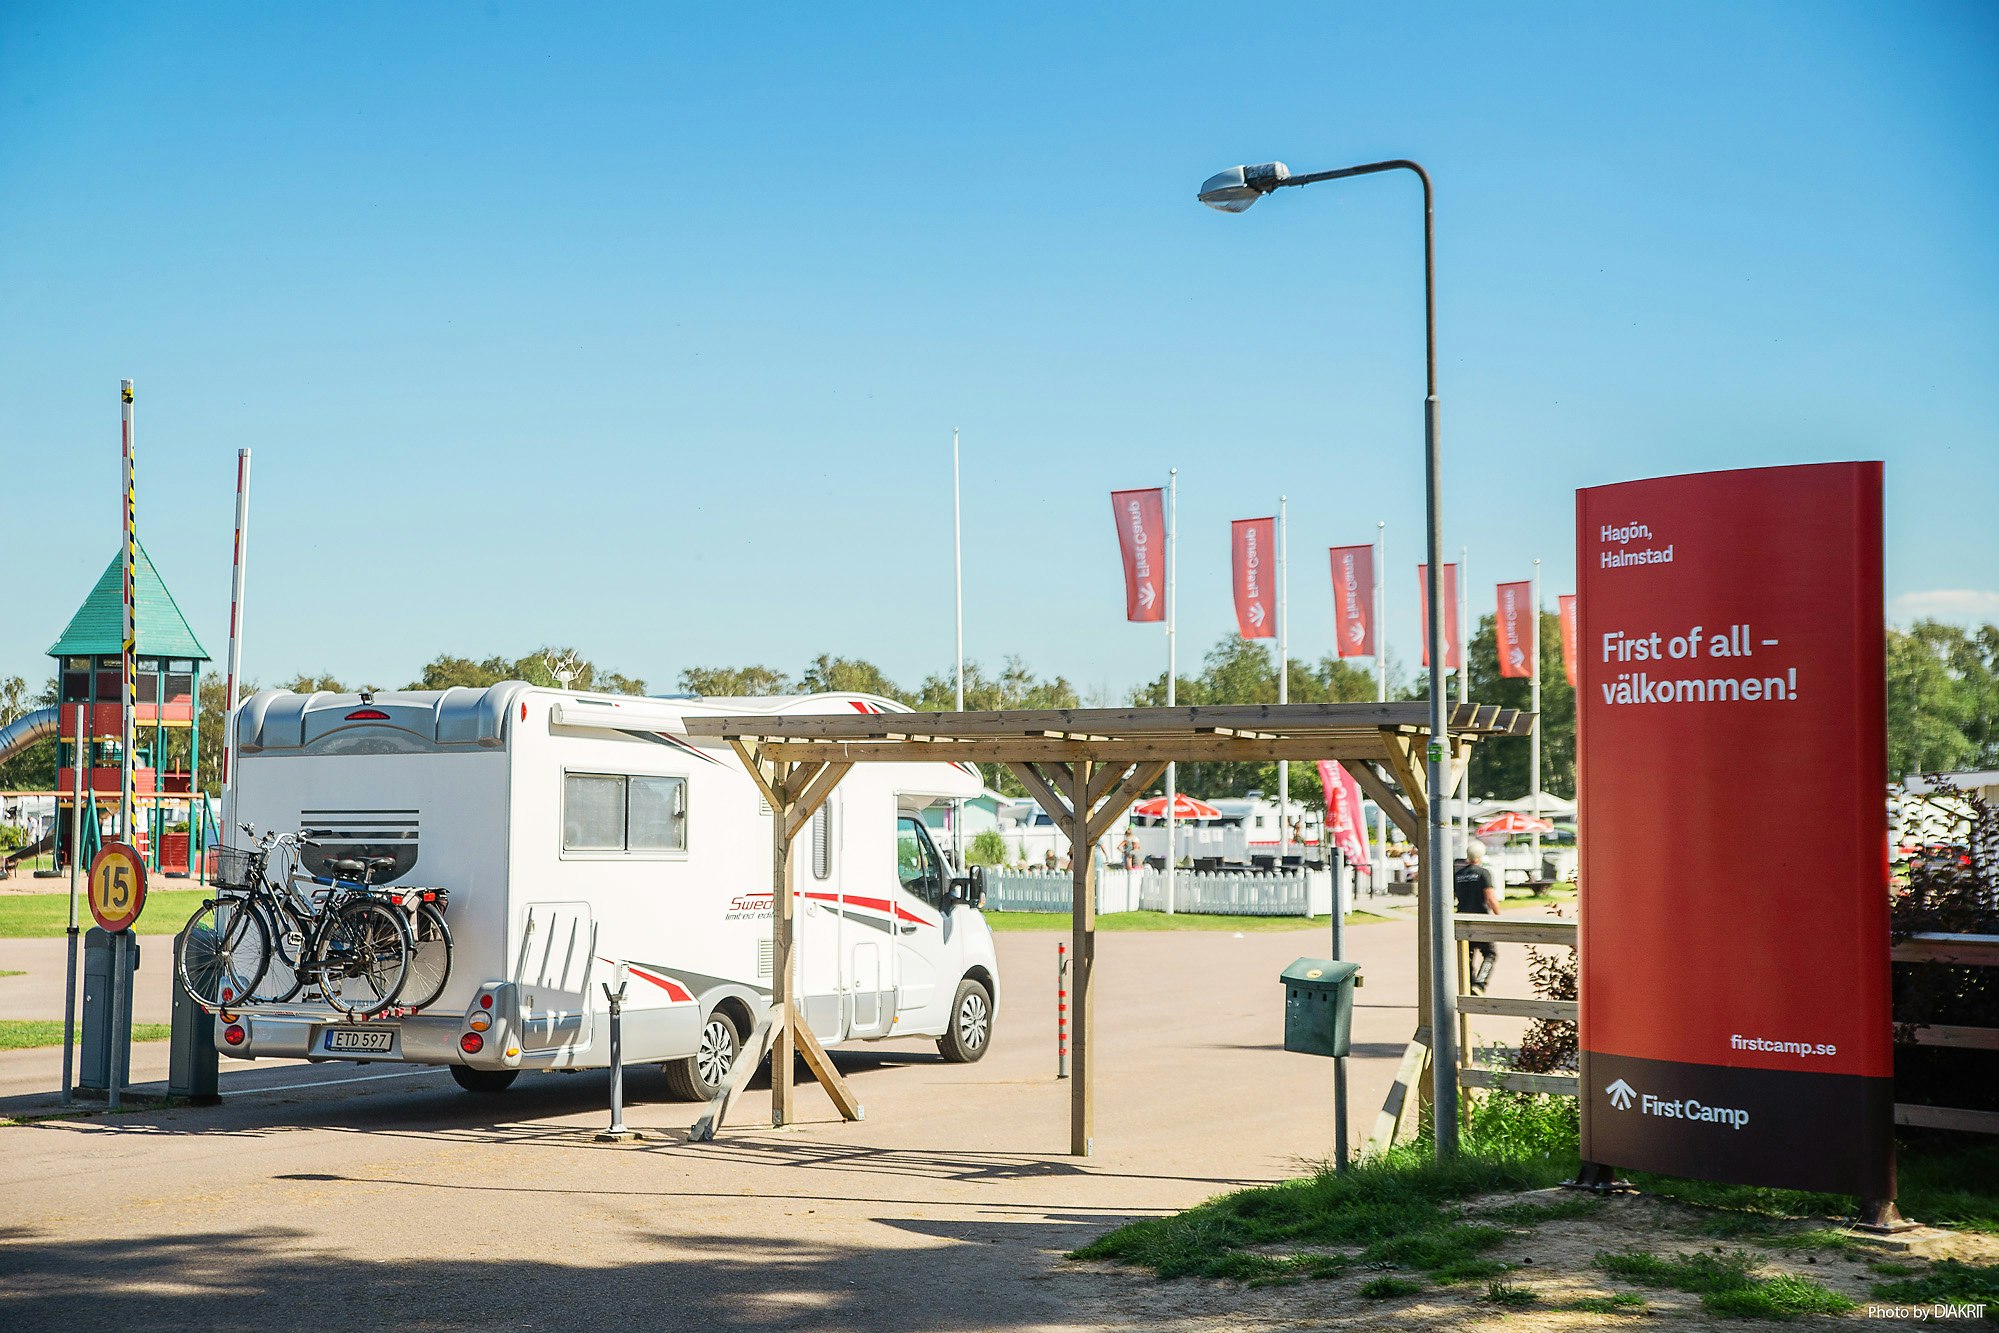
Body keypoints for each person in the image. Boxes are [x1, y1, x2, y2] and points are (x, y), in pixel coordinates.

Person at [1455, 839, 1502, 994]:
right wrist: (1499, 915)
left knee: (1466, 955)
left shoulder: (1458, 875)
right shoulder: (1483, 873)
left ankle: (1469, 984)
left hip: (1462, 920)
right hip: (1480, 920)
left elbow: (1452, 897)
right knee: (1490, 953)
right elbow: (1490, 897)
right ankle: (1480, 983)